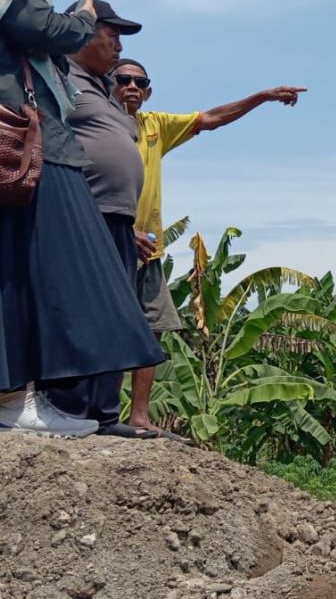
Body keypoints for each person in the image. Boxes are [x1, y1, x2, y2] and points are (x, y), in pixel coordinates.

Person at [0, 0, 163, 437]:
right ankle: (26, 398)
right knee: (52, 277)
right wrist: (81, 16)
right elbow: (48, 31)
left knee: (28, 272)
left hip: (40, 153)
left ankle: (33, 398)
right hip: (37, 151)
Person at [111, 56, 305, 436]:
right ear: (108, 85)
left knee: (153, 329)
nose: (132, 87)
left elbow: (211, 118)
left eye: (140, 82)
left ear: (148, 92)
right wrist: (119, 227)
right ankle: (101, 412)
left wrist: (263, 97)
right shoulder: (96, 127)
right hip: (110, 244)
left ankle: (139, 417)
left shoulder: (155, 126)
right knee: (107, 329)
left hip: (150, 251)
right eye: (123, 79)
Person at [45, 0, 165, 438]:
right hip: (82, 211)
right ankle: (70, 407)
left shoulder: (104, 89)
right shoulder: (59, 74)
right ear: (83, 34)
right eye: (110, 36)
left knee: (115, 313)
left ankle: (104, 413)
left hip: (119, 219)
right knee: (81, 309)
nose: (118, 47)